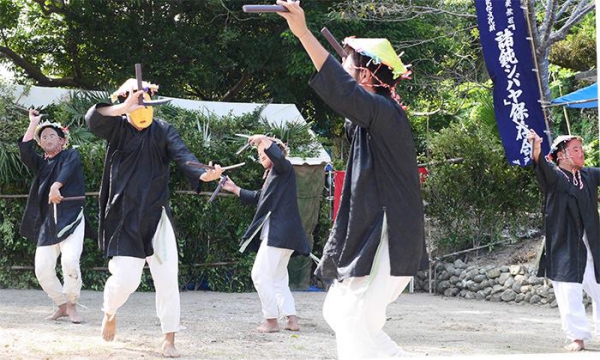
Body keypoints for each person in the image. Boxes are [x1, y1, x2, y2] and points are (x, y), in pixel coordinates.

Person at [276, 1, 429, 358]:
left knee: (352, 318)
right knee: (340, 313)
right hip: (374, 232)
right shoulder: (372, 116)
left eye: (350, 62)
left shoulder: (385, 113)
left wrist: (302, 32)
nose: (343, 67)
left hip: (388, 233)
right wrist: (346, 65)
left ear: (365, 76)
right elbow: (347, 98)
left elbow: (344, 93)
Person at [85, 78, 223, 358]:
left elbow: (184, 156)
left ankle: (169, 338)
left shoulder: (162, 131)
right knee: (126, 280)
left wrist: (203, 174)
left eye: (147, 101)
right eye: (138, 101)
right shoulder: (117, 128)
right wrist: (122, 108)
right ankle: (110, 311)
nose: (144, 107)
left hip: (156, 215)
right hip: (123, 216)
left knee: (167, 278)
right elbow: (92, 118)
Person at [221, 135, 310, 333]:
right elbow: (260, 198)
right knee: (278, 278)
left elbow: (278, 157)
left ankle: (271, 320)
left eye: (264, 152)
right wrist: (234, 188)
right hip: (285, 234)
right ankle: (292, 319)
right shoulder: (275, 175)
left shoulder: (283, 167)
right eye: (259, 153)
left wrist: (262, 138)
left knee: (260, 275)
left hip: (279, 233)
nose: (261, 155)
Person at [528, 129, 600, 352]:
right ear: (562, 155)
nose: (581, 154)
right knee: (569, 292)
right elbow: (541, 165)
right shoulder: (555, 178)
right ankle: (577, 337)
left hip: (592, 244)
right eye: (575, 150)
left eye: (581, 149)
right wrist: (536, 148)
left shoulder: (588, 175)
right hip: (565, 246)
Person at [18, 109, 88, 324]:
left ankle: (73, 304)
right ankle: (61, 305)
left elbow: (67, 171)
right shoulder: (41, 164)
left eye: (52, 135)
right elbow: (24, 149)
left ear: (62, 140)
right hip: (48, 222)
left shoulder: (71, 155)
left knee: (69, 261)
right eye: (44, 136)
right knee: (42, 268)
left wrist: (56, 186)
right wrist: (34, 123)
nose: (48, 138)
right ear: (40, 143)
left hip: (71, 218)